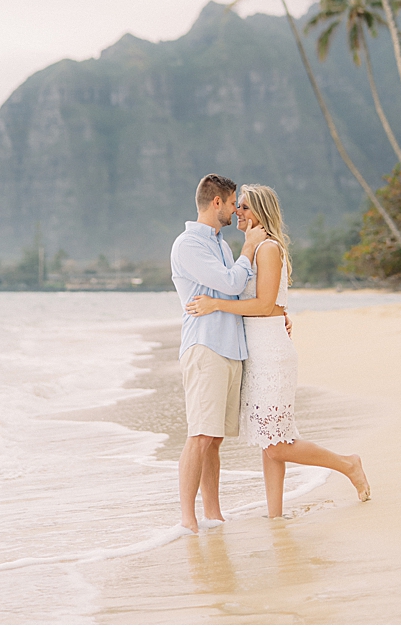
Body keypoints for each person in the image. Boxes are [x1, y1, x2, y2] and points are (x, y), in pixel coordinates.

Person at [187, 183, 371, 515]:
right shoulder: (249, 250)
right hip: (256, 352)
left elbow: (263, 304)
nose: (237, 212)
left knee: (277, 443)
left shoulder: (267, 248)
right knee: (269, 440)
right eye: (236, 205)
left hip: (271, 353)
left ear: (259, 212)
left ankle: (348, 464)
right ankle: (275, 514)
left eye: (243, 206)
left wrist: (215, 304)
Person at [171, 173, 270, 533]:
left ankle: (213, 514)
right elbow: (231, 282)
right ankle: (187, 519)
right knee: (199, 434)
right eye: (232, 203)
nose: (235, 209)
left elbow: (235, 292)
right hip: (205, 346)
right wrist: (247, 251)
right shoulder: (188, 245)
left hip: (229, 347)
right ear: (217, 203)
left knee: (214, 438)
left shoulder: (221, 245)